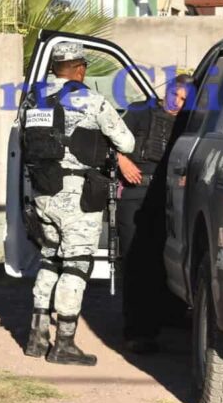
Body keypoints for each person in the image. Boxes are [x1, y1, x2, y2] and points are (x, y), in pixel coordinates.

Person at [22, 42, 135, 366]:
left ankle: (36, 337)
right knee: (76, 264)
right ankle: (64, 344)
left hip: (43, 191)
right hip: (76, 195)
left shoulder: (33, 99)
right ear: (80, 69)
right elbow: (127, 142)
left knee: (50, 259)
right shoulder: (92, 100)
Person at [116, 75, 191, 354]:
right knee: (136, 262)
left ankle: (166, 317)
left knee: (164, 260)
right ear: (167, 91)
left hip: (169, 196)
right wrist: (122, 161)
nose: (178, 103)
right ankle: (137, 332)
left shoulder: (188, 122)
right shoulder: (140, 111)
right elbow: (110, 140)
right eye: (176, 96)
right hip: (136, 192)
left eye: (184, 100)